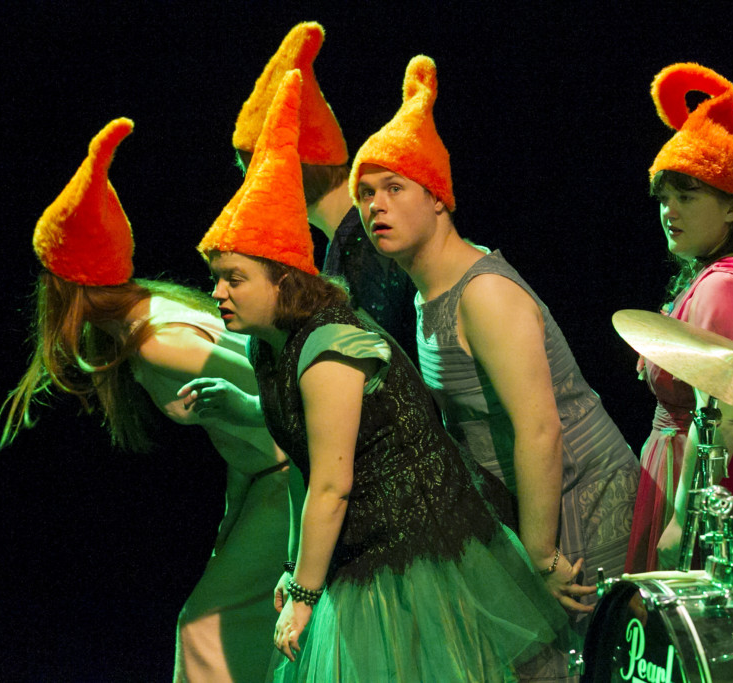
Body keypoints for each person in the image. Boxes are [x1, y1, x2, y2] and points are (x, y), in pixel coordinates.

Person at [198, 69, 575, 682]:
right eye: (366, 191)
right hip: (361, 546)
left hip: (418, 546)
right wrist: (296, 568)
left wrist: (305, 593)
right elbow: (301, 463)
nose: (216, 294)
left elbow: (332, 484)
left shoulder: (329, 345)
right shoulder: (268, 351)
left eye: (234, 279)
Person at [349, 55, 639, 680]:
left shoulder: (484, 295)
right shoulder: (428, 293)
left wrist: (538, 552)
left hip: (583, 500)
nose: (377, 206)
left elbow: (540, 428)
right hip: (530, 506)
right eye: (366, 193)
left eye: (395, 188)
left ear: (438, 198)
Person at [0, 118, 288, 682]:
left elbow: (277, 401)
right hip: (268, 479)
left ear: (67, 285)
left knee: (205, 629)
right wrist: (235, 516)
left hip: (295, 476)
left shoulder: (157, 342)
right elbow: (238, 430)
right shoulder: (149, 316)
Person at [620, 64, 733, 572]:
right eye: (665, 198)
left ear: (730, 208)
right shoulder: (724, 273)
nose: (669, 211)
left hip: (718, 490)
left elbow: (719, 421)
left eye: (687, 196)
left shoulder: (724, 287)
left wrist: (686, 519)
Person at [231, 22, 417, 363]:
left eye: (258, 174)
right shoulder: (345, 241)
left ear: (296, 168)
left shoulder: (366, 242)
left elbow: (386, 366)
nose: (253, 191)